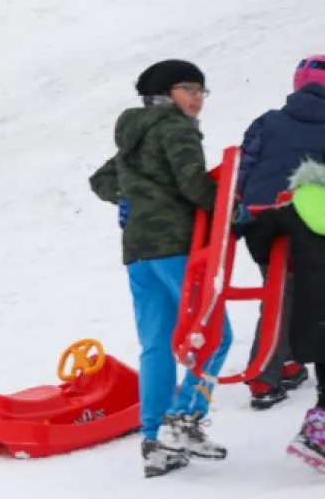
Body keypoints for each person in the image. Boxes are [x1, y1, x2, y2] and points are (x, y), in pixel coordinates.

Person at [89, 59, 235, 478]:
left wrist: (133, 197)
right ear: (164, 93)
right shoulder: (175, 128)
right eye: (189, 88)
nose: (197, 99)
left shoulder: (135, 134)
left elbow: (101, 180)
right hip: (175, 246)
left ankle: (154, 441)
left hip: (138, 251)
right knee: (215, 335)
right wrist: (235, 210)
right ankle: (184, 419)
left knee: (156, 344)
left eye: (202, 91)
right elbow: (194, 185)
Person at [234, 55, 325, 409]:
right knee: (312, 294)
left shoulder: (268, 121)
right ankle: (281, 366)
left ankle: (274, 369)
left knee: (279, 289)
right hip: (308, 216)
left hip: (261, 217)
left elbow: (246, 164)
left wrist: (238, 211)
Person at [242, 157, 325, 472]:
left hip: (313, 309)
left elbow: (258, 233)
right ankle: (316, 440)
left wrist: (277, 259)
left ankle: (317, 436)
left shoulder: (295, 207)